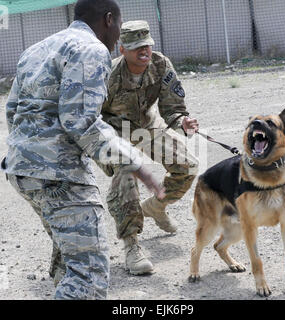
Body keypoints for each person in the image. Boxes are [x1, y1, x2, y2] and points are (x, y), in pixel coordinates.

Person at [1, 1, 164, 300]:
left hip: (22, 170)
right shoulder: (90, 50)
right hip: (60, 176)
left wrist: (28, 155)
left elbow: (12, 111)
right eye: (118, 26)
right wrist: (135, 162)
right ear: (109, 19)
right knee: (87, 276)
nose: (118, 37)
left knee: (69, 253)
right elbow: (82, 122)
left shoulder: (37, 49)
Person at [101, 20, 199, 275]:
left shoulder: (160, 64)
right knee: (125, 173)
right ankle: (131, 244)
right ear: (121, 49)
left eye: (146, 45)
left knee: (187, 166)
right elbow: (91, 116)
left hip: (147, 125)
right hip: (114, 131)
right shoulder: (108, 75)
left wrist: (182, 122)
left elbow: (173, 108)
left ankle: (155, 207)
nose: (144, 52)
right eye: (136, 47)